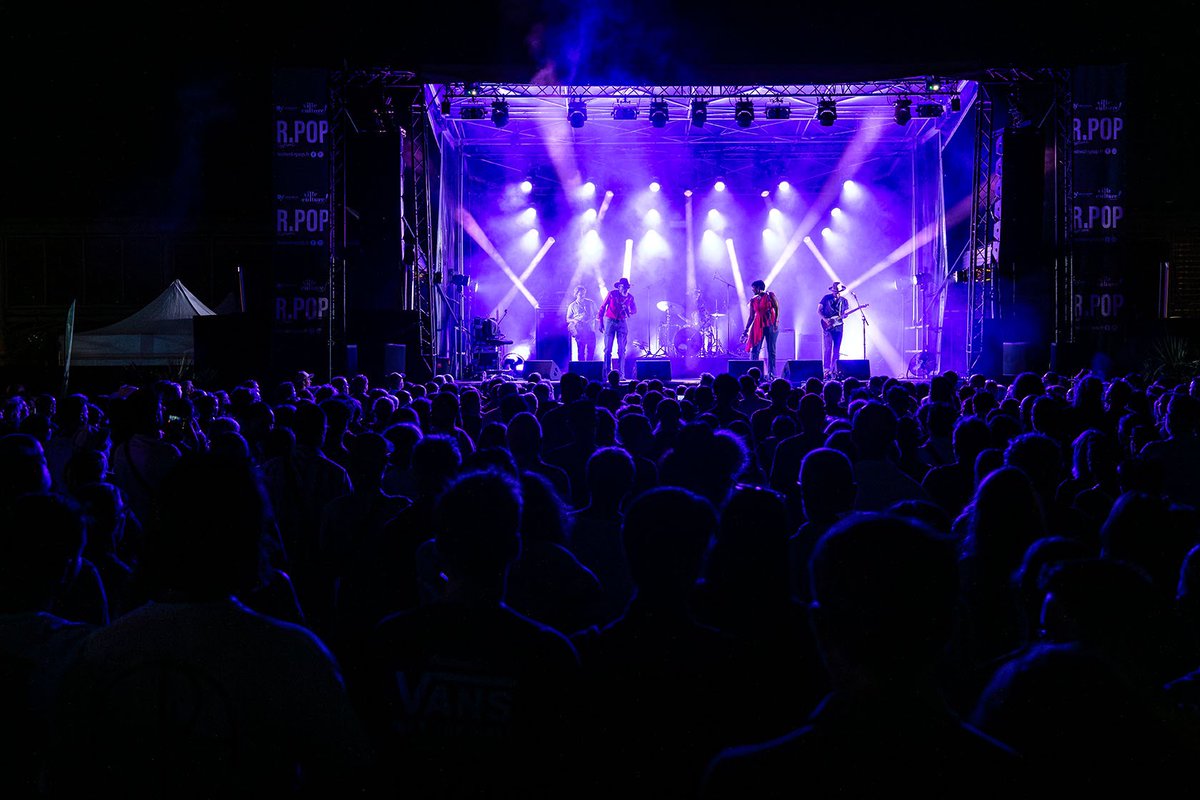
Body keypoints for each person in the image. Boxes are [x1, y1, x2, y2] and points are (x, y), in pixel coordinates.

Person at [597, 277, 637, 378]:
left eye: (627, 287)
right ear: (619, 287)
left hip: (622, 322)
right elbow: (602, 308)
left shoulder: (630, 298)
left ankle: (621, 375)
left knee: (622, 350)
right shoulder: (612, 294)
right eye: (623, 287)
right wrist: (600, 322)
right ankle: (607, 374)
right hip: (610, 321)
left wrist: (628, 309)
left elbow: (634, 310)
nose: (625, 289)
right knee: (607, 349)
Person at [742, 279, 780, 379]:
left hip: (770, 323)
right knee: (755, 349)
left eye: (753, 288)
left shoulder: (770, 295)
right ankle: (754, 374)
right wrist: (746, 329)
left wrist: (776, 321)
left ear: (759, 287)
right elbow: (751, 316)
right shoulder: (753, 300)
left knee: (771, 350)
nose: (752, 290)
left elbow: (776, 308)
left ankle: (772, 374)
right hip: (758, 325)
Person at [818, 281, 850, 379]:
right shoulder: (826, 298)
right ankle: (826, 370)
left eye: (839, 291)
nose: (837, 293)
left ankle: (835, 370)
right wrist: (826, 320)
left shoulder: (844, 301)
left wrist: (845, 316)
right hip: (827, 326)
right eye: (836, 291)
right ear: (833, 290)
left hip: (839, 326)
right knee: (828, 348)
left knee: (837, 349)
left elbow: (844, 314)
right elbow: (818, 311)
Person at [566, 284, 597, 362]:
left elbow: (597, 313)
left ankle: (590, 369)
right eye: (580, 294)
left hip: (590, 330)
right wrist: (574, 320)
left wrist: (595, 319)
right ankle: (581, 370)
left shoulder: (591, 303)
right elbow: (568, 319)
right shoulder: (572, 306)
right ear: (576, 294)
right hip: (580, 331)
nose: (583, 296)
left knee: (591, 351)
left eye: (584, 294)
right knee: (581, 351)